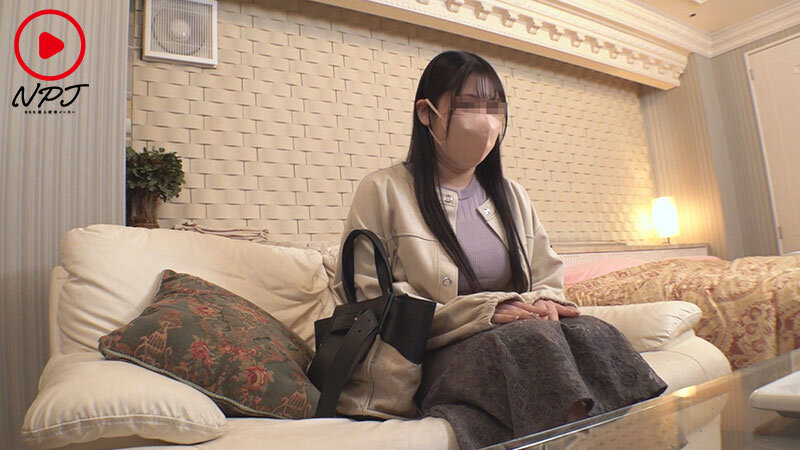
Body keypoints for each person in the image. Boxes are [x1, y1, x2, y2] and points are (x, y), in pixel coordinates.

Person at [331, 50, 666, 448]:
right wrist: (483, 311)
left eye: (495, 107)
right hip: (427, 357)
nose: (486, 120)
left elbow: (546, 274)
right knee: (530, 342)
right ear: (426, 113)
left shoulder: (512, 195)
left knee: (593, 332)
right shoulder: (383, 189)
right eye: (469, 105)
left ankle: (654, 440)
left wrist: (545, 301)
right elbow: (370, 297)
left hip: (515, 340)